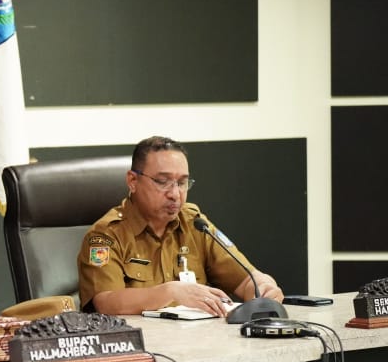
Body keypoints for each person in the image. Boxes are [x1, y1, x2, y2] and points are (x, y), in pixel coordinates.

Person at [77, 136, 283, 317]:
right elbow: (105, 302)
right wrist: (169, 292)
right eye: (162, 181)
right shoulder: (106, 235)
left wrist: (262, 287)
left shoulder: (195, 224)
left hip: (200, 344)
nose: (175, 194)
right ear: (133, 181)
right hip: (146, 348)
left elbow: (244, 279)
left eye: (182, 183)